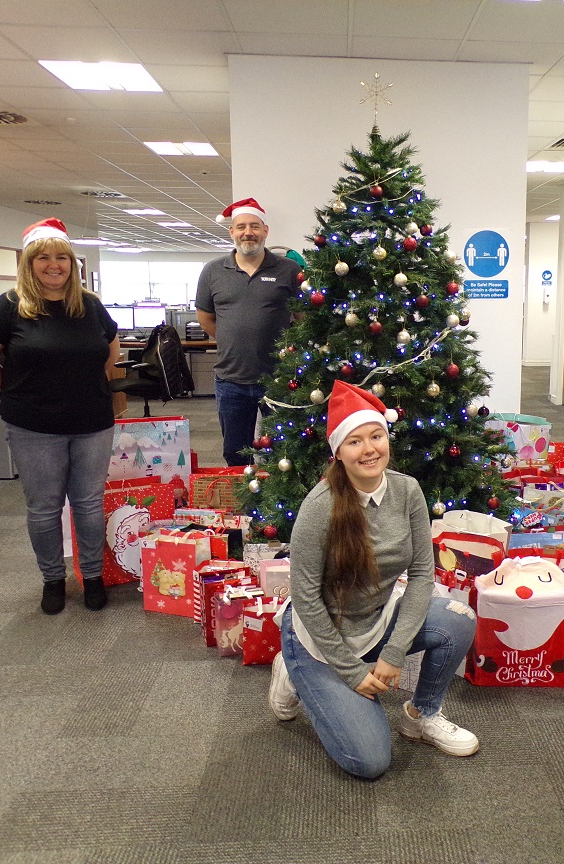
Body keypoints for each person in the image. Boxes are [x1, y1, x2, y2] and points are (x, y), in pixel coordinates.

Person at [269, 381, 480, 779]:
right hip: (320, 638)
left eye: (376, 436)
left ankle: (422, 715)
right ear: (338, 452)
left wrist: (394, 652)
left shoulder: (407, 490)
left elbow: (421, 574)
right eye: (354, 441)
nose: (369, 449)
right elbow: (307, 599)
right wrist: (351, 673)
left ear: (387, 438)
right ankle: (292, 671)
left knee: (458, 619)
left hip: (377, 621)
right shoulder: (320, 506)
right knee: (369, 762)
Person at [0, 218, 120, 615]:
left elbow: (110, 354)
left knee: (88, 504)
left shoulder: (90, 305)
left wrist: (78, 385)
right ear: (29, 263)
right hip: (33, 426)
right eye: (44, 258)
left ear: (72, 263)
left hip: (92, 422)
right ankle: (52, 579)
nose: (54, 265)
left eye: (62, 258)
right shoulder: (9, 306)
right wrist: (20, 390)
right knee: (44, 507)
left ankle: (91, 577)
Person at [195, 197, 301, 466]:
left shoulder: (288, 269)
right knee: (235, 452)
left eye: (255, 226)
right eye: (241, 226)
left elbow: (302, 317)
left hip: (278, 378)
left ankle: (280, 507)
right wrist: (234, 338)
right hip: (231, 379)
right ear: (232, 232)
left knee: (283, 451)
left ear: (265, 231)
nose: (248, 232)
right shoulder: (213, 271)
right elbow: (206, 318)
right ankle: (241, 505)